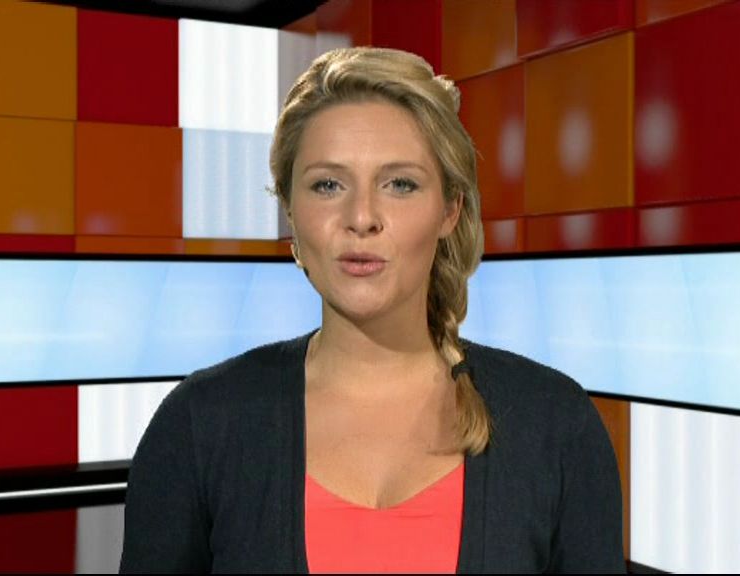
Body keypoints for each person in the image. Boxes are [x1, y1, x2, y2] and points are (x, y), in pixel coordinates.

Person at [120, 46, 625, 574]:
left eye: (400, 184)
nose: (361, 217)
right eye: (328, 185)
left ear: (450, 209)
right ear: (290, 210)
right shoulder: (200, 424)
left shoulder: (557, 425)